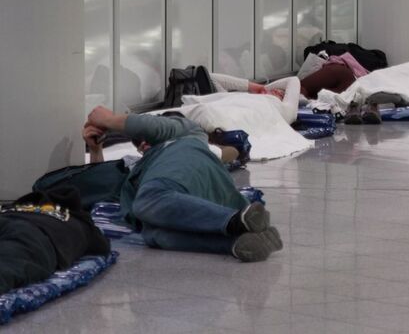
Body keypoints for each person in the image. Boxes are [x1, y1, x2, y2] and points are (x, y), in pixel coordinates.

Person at [83, 106, 283, 262]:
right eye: (138, 143)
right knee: (153, 234)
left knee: (151, 197)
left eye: (147, 138)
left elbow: (152, 126)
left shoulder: (186, 135)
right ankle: (239, 240)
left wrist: (107, 119)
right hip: (191, 206)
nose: (142, 143)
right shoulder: (137, 169)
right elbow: (104, 184)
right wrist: (95, 150)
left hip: (187, 184)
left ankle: (235, 221)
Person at [0, 186, 111, 293]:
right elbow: (102, 246)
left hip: (11, 221)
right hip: (35, 235)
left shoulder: (15, 207)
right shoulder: (79, 221)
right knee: (10, 263)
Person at [209, 73, 301, 125]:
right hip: (216, 112)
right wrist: (254, 87)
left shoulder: (285, 112)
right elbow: (211, 78)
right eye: (274, 90)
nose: (276, 91)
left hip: (225, 121)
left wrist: (265, 89)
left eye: (281, 95)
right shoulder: (231, 99)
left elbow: (293, 80)